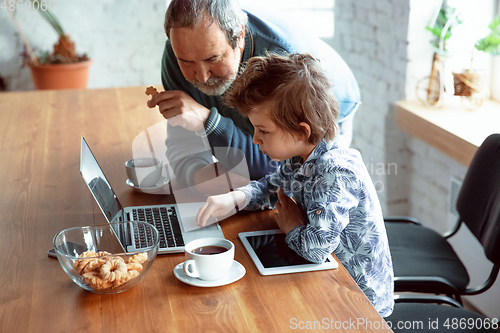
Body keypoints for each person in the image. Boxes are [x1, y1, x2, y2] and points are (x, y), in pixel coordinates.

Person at [196, 53, 393, 317]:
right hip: (326, 277)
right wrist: (236, 199)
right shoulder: (301, 157)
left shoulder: (334, 172)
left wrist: (291, 226)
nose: (255, 140)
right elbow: (272, 186)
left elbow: (319, 247)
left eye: (263, 131)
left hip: (358, 302)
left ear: (301, 131)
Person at [147, 0, 361, 192]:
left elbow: (276, 166)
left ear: (240, 36)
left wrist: (208, 122)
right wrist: (196, 177)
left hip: (328, 109)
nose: (201, 77)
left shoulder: (281, 67)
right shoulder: (177, 55)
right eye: (186, 61)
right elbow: (184, 144)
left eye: (213, 58)